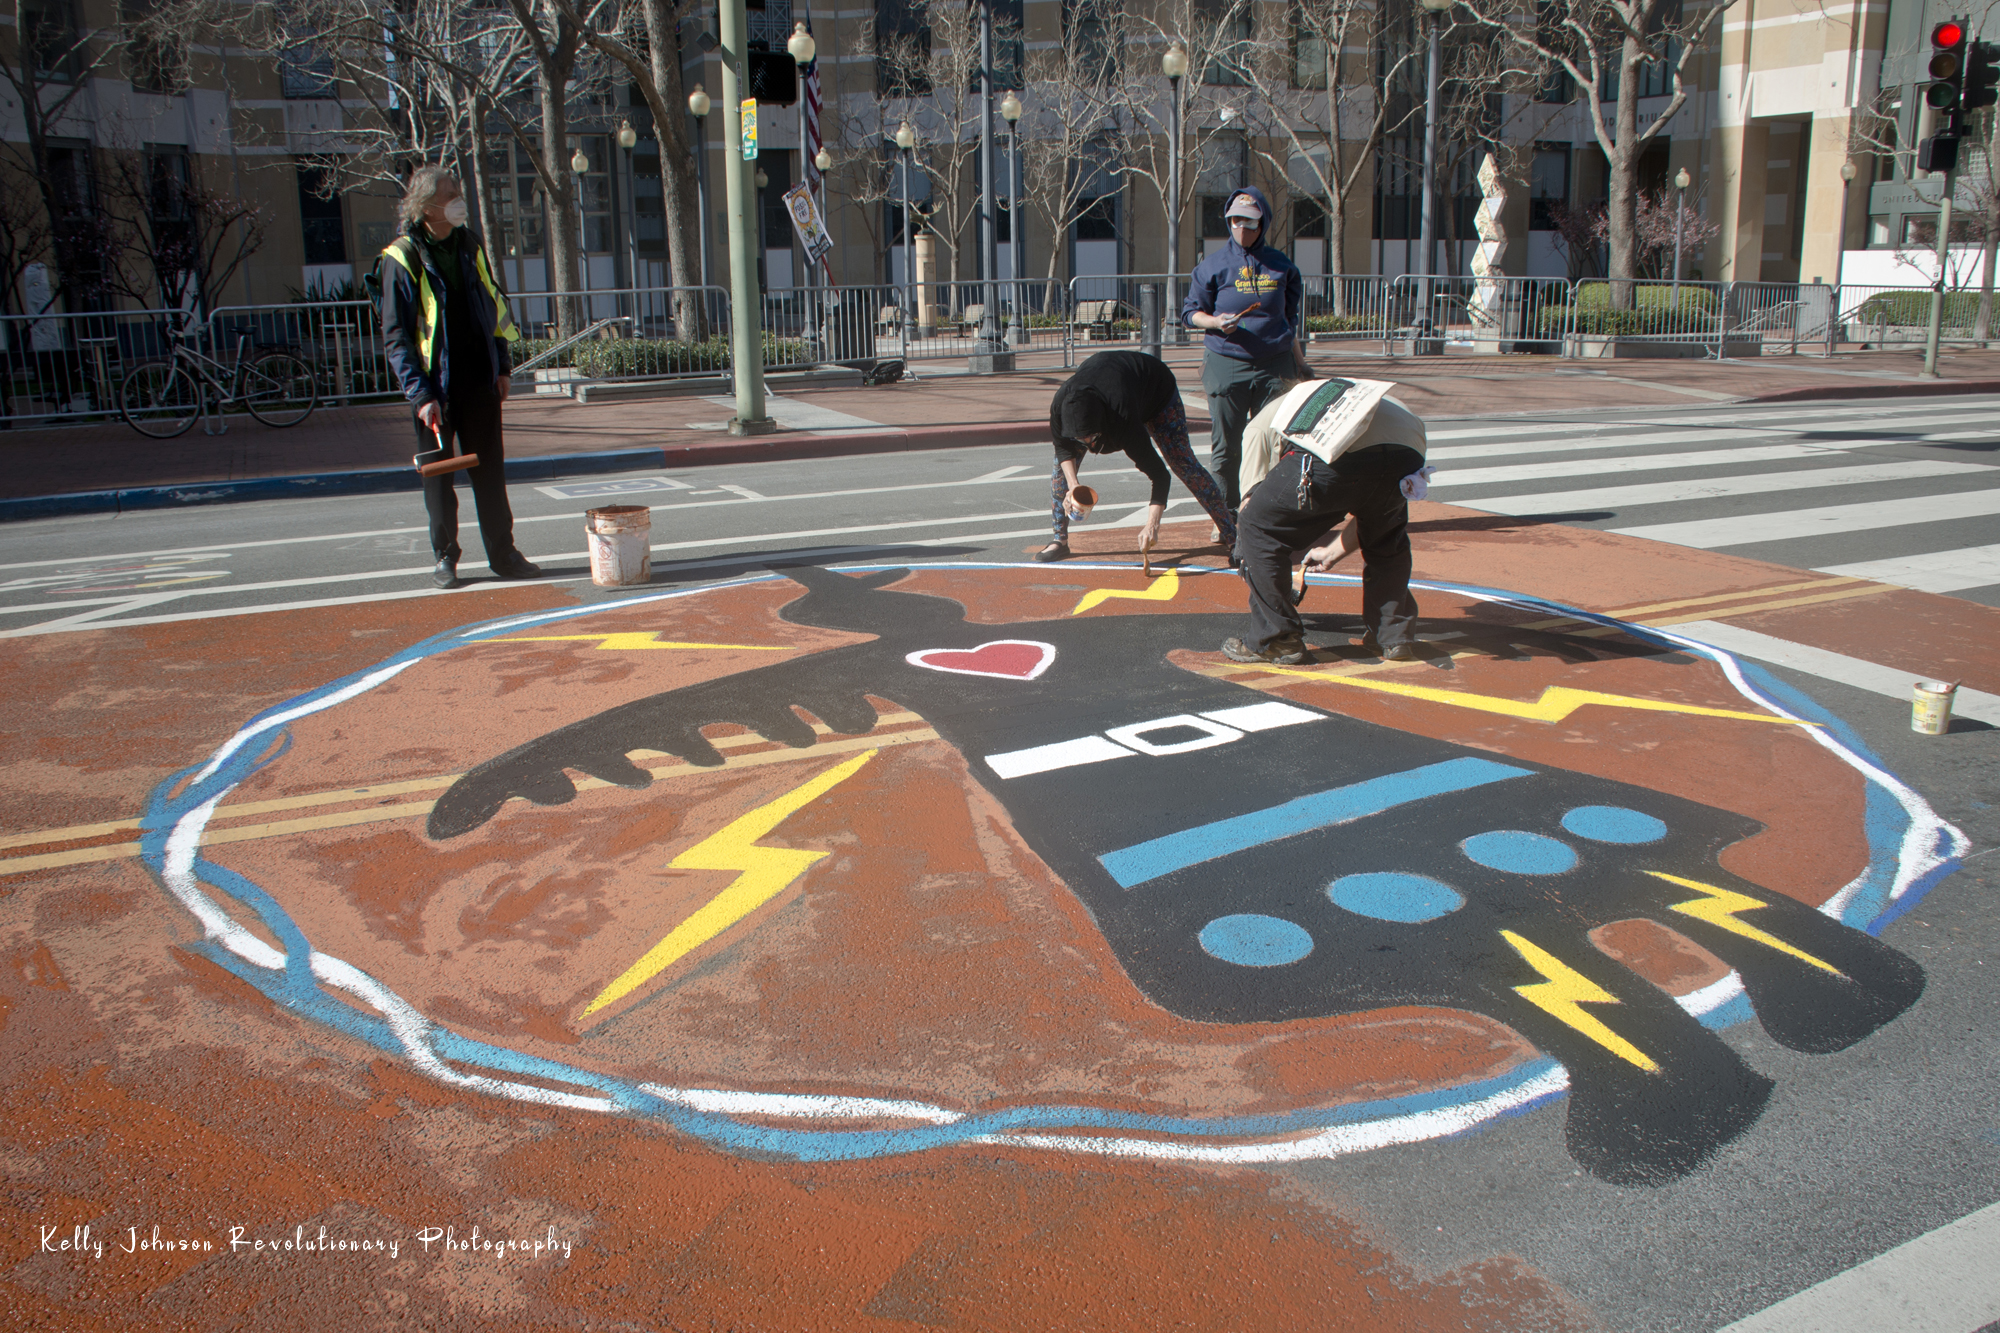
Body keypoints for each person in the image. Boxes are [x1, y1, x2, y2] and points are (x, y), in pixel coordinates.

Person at [380, 166, 541, 589]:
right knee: (439, 476)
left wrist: (502, 365)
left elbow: (493, 307)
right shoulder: (402, 256)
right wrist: (421, 396)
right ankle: (444, 558)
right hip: (434, 387)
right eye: (450, 194)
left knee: (490, 472)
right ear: (426, 205)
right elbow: (396, 337)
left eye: (457, 192)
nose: (458, 201)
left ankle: (503, 554)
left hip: (478, 380)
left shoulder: (469, 243)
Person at [1222, 378, 1429, 665]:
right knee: (1386, 538)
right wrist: (1331, 552)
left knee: (1257, 526)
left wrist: (1251, 558)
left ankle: (1277, 638)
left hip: (1333, 453)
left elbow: (1250, 509)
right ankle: (1394, 636)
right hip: (1406, 451)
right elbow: (1369, 509)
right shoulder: (1350, 392)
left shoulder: (1267, 417)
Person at [1038, 349, 1238, 563]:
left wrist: (1152, 525)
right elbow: (1063, 450)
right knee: (1060, 474)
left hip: (1156, 391)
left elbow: (1160, 475)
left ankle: (1234, 538)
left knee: (1183, 463)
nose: (1089, 445)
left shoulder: (1121, 417)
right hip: (1112, 379)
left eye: (1091, 437)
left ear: (1101, 426)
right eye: (1080, 439)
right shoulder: (1061, 408)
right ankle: (1060, 540)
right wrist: (1073, 485)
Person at [1181, 185, 1304, 528]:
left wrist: (1300, 362)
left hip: (1275, 366)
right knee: (1226, 448)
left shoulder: (1282, 267)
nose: (1242, 228)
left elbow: (1288, 320)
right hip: (1227, 363)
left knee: (1274, 444)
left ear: (1262, 222)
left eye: (1250, 222)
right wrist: (1216, 322)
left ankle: (1266, 515)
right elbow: (1190, 313)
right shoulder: (1213, 267)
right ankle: (1225, 517)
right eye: (1235, 220)